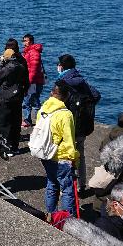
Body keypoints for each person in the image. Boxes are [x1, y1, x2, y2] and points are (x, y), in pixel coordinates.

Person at [56, 54, 101, 193]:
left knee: (65, 157)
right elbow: (96, 95)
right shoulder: (81, 80)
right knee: (80, 155)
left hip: (68, 127)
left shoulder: (62, 83)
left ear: (61, 67)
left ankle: (67, 186)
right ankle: (81, 185)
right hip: (82, 125)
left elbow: (56, 105)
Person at [37, 83, 78, 215]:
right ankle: (66, 219)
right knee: (67, 189)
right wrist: (73, 158)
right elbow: (69, 140)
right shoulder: (65, 114)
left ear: (52, 93)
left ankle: (51, 214)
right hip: (61, 156)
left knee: (52, 184)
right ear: (66, 96)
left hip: (46, 153)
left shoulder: (43, 109)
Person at [0, 39, 29, 156]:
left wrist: (0, 65)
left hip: (6, 96)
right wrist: (24, 91)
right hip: (18, 95)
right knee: (16, 120)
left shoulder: (9, 65)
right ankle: (15, 146)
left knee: (5, 121)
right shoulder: (22, 61)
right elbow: (26, 79)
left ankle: (6, 146)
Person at [21, 34, 46, 127]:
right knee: (31, 101)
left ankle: (36, 120)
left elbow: (33, 69)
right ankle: (31, 120)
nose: (24, 43)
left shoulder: (33, 52)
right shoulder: (29, 52)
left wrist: (28, 82)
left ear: (30, 41)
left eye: (25, 40)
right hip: (34, 81)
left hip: (33, 82)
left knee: (32, 101)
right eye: (23, 41)